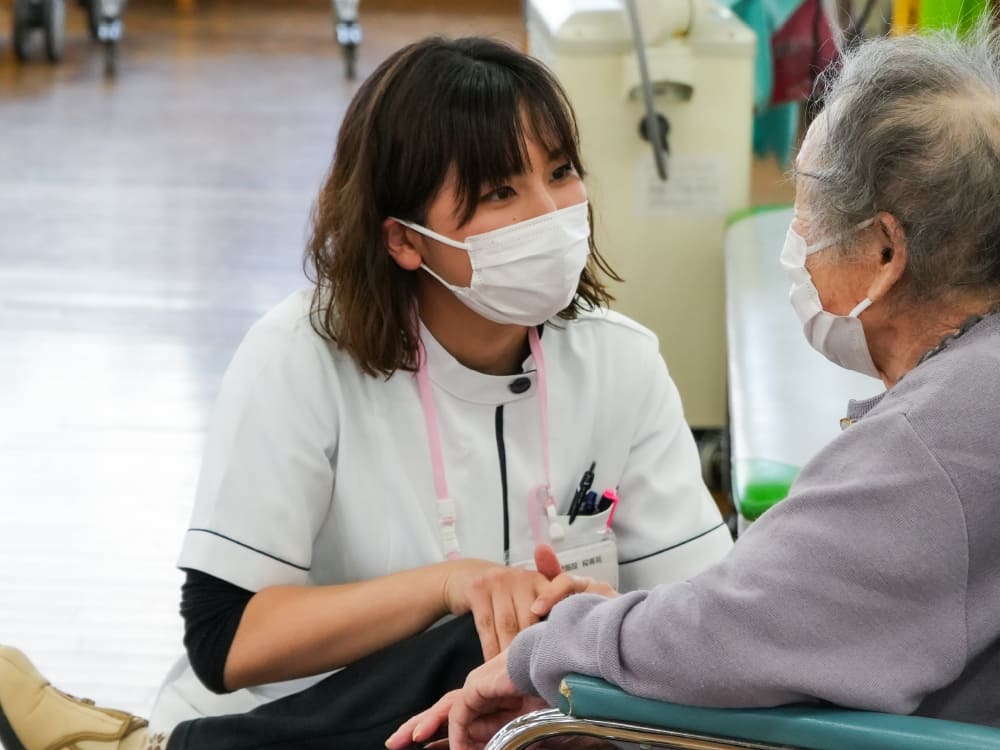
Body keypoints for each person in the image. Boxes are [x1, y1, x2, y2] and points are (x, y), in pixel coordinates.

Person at [0, 36, 733, 750]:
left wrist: (604, 619)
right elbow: (224, 639)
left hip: (514, 726)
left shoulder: (622, 362)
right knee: (478, 652)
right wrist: (451, 586)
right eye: (501, 192)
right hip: (291, 722)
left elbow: (705, 619)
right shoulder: (299, 358)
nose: (549, 211)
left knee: (544, 658)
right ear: (404, 241)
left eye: (563, 171)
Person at [389, 23, 1000, 750]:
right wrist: (630, 624)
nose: (797, 240)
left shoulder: (931, 445)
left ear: (884, 249)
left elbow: (731, 636)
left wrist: (546, 647)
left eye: (808, 210)